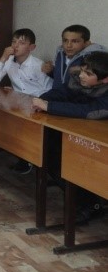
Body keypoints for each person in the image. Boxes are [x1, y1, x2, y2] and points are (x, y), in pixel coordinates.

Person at [32, 51, 108, 222]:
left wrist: (50, 107)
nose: (81, 75)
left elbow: (90, 111)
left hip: (97, 142)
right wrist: (42, 100)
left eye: (88, 74)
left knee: (81, 166)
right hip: (75, 133)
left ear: (105, 79)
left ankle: (91, 205)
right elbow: (61, 93)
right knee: (48, 155)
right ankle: (85, 202)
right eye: (82, 70)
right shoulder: (77, 79)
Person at [0, 28, 53, 174]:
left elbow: (49, 90)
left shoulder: (38, 65)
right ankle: (18, 154)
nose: (16, 46)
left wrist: (34, 101)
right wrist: (3, 58)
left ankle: (29, 159)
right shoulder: (9, 62)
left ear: (32, 47)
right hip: (19, 104)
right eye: (14, 42)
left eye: (22, 43)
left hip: (38, 106)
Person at [42, 24, 106, 89]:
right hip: (55, 92)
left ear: (87, 43)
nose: (68, 45)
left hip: (74, 95)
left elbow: (95, 88)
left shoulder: (92, 60)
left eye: (75, 41)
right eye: (65, 40)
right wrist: (50, 71)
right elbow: (62, 79)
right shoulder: (60, 53)